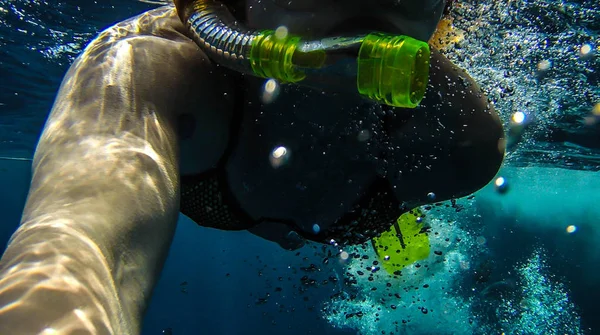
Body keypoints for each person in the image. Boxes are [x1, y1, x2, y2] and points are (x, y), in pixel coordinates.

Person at [0, 0, 504, 333]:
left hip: (365, 211)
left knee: (404, 249)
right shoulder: (149, 68)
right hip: (260, 196)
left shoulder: (465, 139)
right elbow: (78, 238)